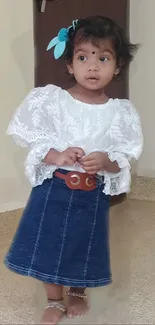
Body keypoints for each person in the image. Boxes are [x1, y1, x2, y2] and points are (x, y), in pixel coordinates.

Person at [4, 16, 143, 324]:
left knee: (84, 244)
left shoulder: (119, 112)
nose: (92, 67)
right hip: (53, 189)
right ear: (70, 64)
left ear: (117, 66)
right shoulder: (52, 101)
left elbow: (124, 152)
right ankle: (54, 299)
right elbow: (32, 137)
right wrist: (57, 153)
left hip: (90, 195)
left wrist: (106, 161)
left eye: (103, 58)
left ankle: (77, 290)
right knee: (47, 243)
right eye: (83, 57)